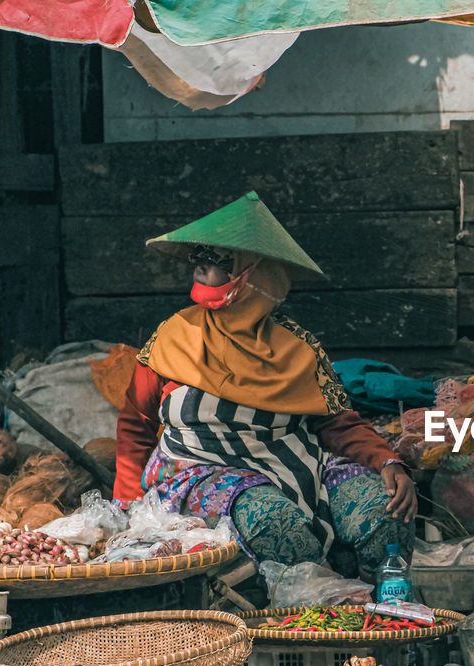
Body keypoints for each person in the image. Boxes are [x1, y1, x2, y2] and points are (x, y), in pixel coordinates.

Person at [113, 191, 417, 575]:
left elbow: (337, 422)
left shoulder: (299, 348)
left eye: (218, 260)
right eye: (199, 258)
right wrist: (128, 508)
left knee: (383, 510)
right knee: (273, 521)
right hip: (198, 473)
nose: (200, 267)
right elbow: (135, 425)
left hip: (299, 467)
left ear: (254, 276)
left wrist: (387, 461)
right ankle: (320, 607)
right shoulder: (173, 337)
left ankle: (387, 612)